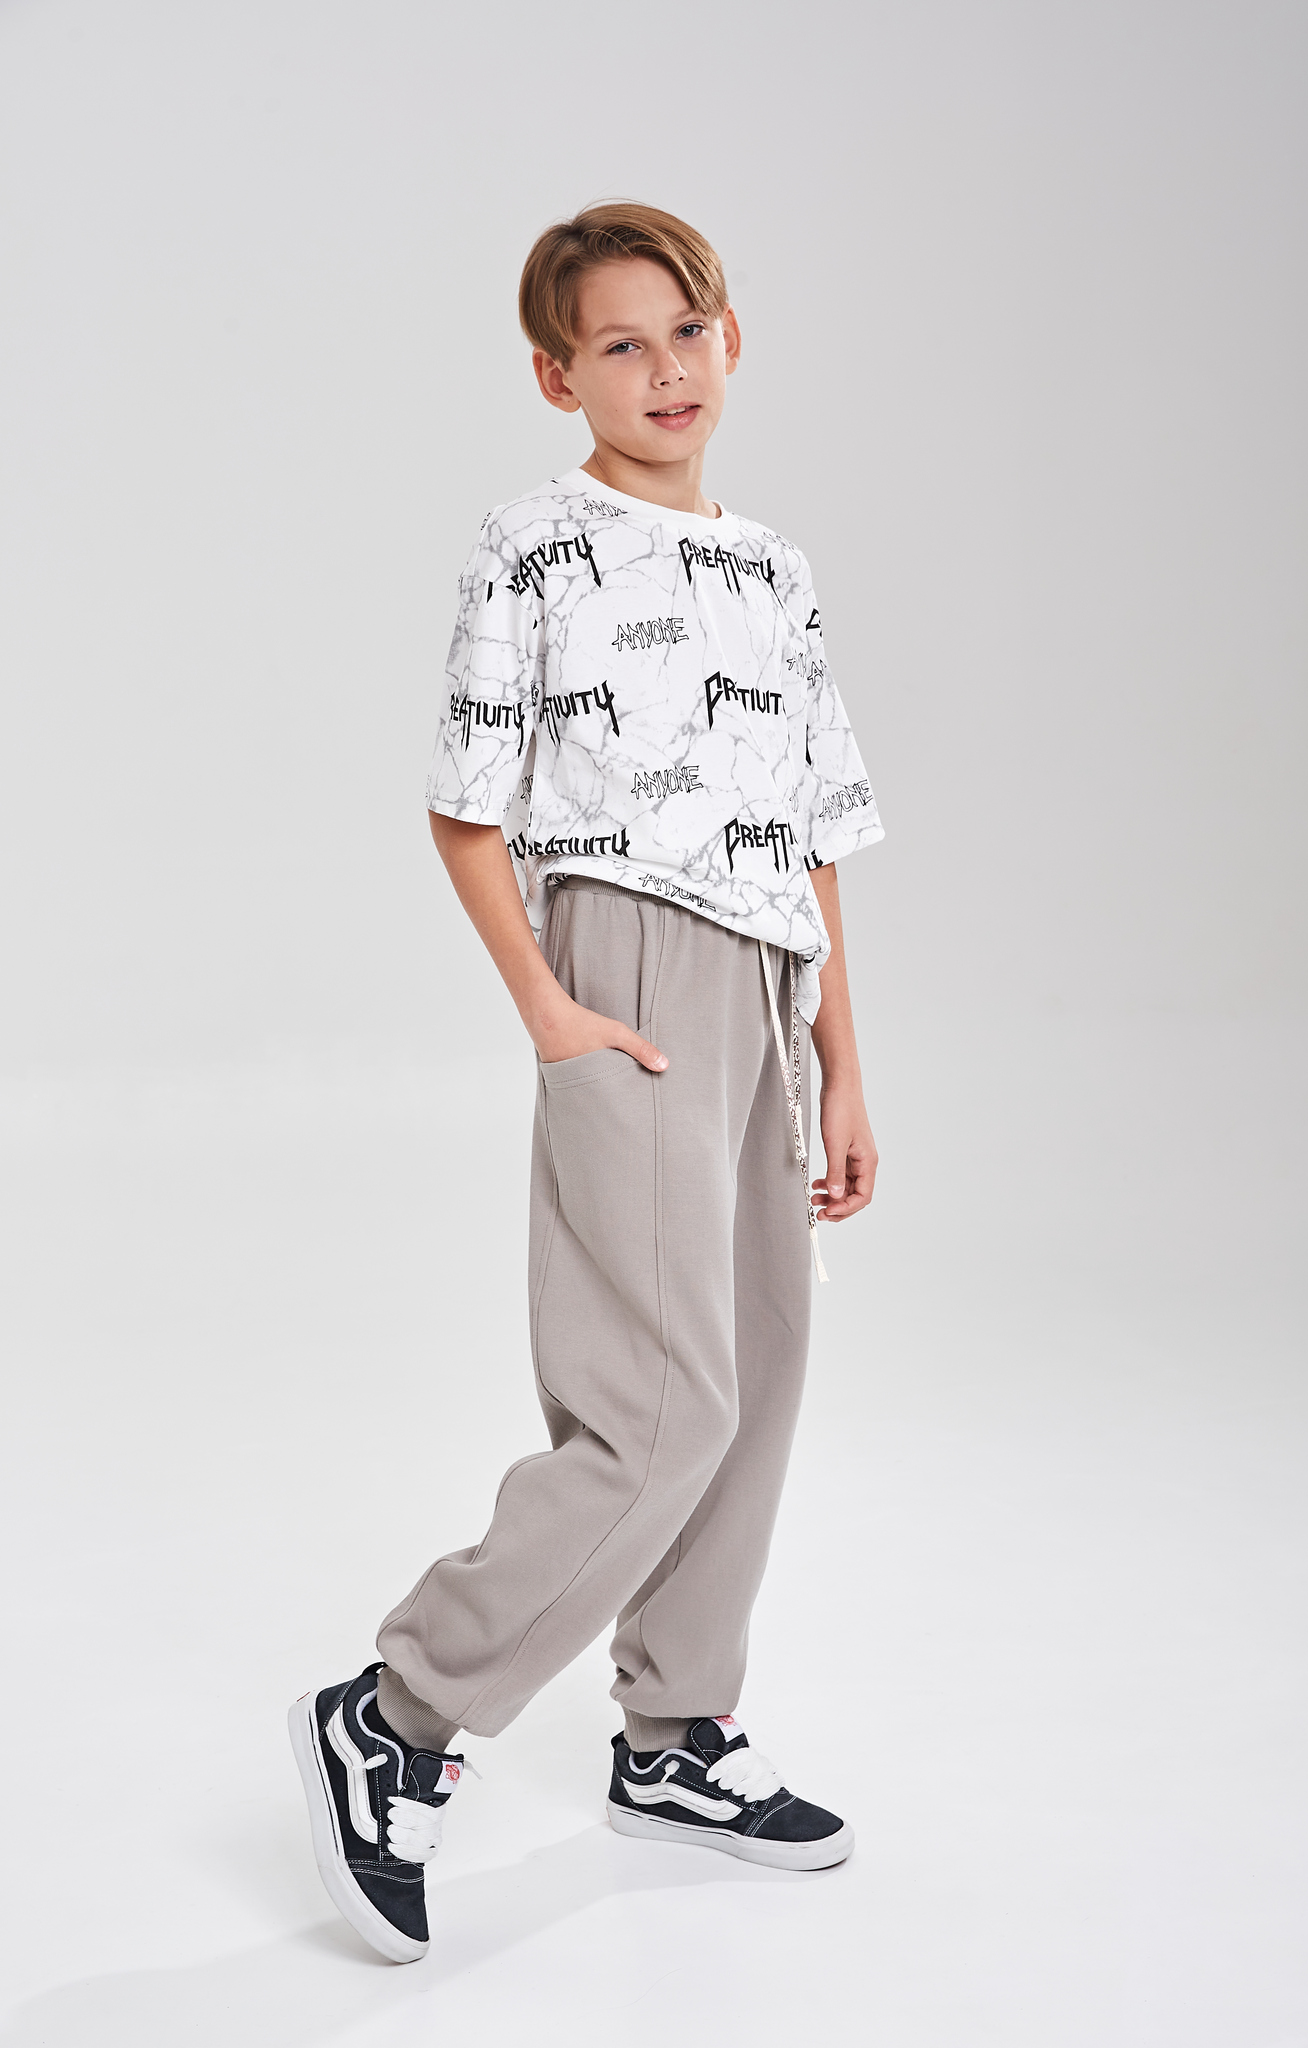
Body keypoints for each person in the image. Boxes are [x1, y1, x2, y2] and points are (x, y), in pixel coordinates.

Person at [289, 202, 884, 1963]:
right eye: (619, 345)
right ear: (559, 377)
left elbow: (817, 833)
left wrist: (844, 1063)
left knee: (756, 1377)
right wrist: (550, 1009)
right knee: (660, 1402)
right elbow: (464, 804)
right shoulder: (535, 546)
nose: (663, 370)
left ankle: (674, 1734)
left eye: (686, 332)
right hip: (624, 962)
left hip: (768, 982)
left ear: (729, 341)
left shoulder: (772, 569)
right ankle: (398, 1710)